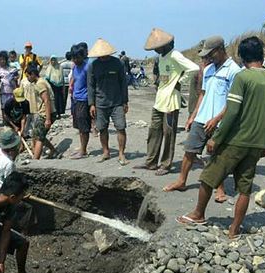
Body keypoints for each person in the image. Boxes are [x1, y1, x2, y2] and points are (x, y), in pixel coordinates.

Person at [176, 36, 265, 239]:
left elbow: (232, 112)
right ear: (262, 55)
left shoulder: (243, 77)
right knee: (244, 188)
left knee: (208, 178)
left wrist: (217, 138)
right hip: (256, 143)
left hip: (235, 140)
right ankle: (234, 229)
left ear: (242, 57)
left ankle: (198, 214)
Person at [164, 36, 240, 201]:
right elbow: (203, 95)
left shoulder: (234, 71)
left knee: (217, 155)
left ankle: (219, 189)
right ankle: (181, 181)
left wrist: (217, 119)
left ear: (220, 50)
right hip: (202, 117)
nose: (208, 57)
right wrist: (193, 115)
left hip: (220, 121)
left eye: (210, 53)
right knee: (189, 150)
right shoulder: (208, 69)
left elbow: (232, 100)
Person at [135, 28, 199, 176]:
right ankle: (151, 161)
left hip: (171, 101)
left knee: (168, 133)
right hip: (159, 100)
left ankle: (165, 164)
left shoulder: (175, 55)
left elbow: (194, 68)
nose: (155, 51)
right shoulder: (161, 58)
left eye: (157, 48)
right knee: (154, 131)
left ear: (164, 45)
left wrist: (180, 82)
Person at [87, 38, 130, 165]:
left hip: (117, 102)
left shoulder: (117, 64)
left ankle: (121, 154)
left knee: (121, 127)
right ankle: (106, 152)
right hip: (100, 103)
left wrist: (125, 102)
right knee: (102, 128)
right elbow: (90, 86)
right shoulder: (93, 66)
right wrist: (92, 104)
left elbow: (123, 83)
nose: (103, 56)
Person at [25, 65, 58, 159]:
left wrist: (47, 119)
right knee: (38, 134)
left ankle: (35, 160)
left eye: (28, 76)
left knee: (39, 138)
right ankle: (54, 151)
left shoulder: (40, 84)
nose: (27, 78)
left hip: (45, 114)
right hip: (44, 112)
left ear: (33, 74)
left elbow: (46, 100)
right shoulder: (41, 82)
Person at [69, 45, 91, 160]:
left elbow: (91, 85)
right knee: (78, 126)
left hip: (84, 100)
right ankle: (82, 147)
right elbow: (74, 78)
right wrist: (71, 87)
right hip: (76, 99)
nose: (75, 60)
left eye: (77, 58)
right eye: (74, 58)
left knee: (84, 127)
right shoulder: (74, 67)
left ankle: (83, 151)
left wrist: (92, 103)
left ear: (83, 56)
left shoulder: (87, 67)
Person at [0, 51, 18, 119]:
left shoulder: (10, 68)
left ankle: (12, 120)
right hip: (3, 91)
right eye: (0, 60)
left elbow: (16, 77)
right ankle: (4, 121)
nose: (2, 61)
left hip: (11, 91)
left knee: (11, 106)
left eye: (3, 59)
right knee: (3, 107)